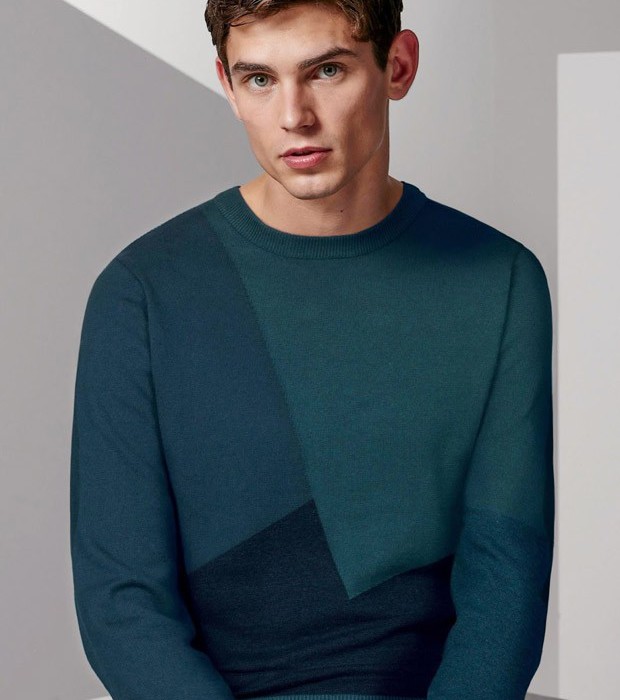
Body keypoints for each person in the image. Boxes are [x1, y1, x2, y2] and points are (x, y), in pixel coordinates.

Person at [69, 2, 555, 699]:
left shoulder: (497, 279)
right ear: (227, 84)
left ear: (398, 66)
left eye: (326, 71)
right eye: (259, 80)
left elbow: (506, 576)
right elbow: (122, 605)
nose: (293, 116)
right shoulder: (142, 292)